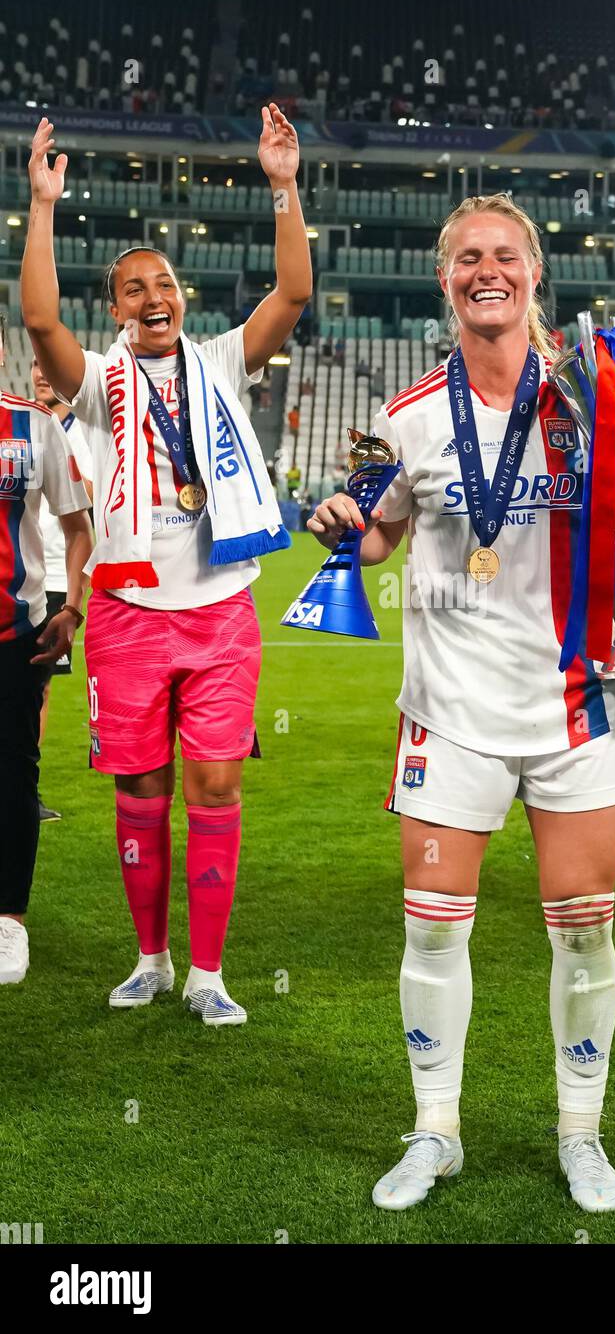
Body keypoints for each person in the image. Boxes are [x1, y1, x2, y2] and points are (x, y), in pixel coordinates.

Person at [308, 193, 615, 1213]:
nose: (486, 269)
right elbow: (377, 535)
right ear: (445, 281)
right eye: (465, 258)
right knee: (433, 932)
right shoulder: (406, 417)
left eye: (503, 255)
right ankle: (434, 1130)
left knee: (582, 930)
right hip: (449, 714)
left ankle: (580, 1133)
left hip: (574, 709)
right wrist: (345, 522)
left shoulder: (596, 400)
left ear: (534, 274)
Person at [22, 108, 312, 1024]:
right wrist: (40, 206)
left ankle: (210, 972)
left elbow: (293, 296)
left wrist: (283, 186)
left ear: (182, 295)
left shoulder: (221, 361)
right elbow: (36, 317)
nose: (154, 295)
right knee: (141, 787)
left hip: (221, 608)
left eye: (166, 283)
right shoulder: (100, 385)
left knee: (216, 785)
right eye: (135, 287)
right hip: (127, 614)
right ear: (114, 308)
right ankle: (151, 958)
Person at [0, 315, 92, 985]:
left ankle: (8, 922)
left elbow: (75, 526)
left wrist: (73, 603)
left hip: (16, 635)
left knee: (12, 781)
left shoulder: (34, 426)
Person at [32, 354, 93, 821]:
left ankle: (23, 789)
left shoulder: (86, 433)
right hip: (18, 574)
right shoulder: (21, 423)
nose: (39, 372)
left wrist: (76, 595)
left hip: (56, 579)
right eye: (33, 364)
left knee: (39, 688)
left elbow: (90, 512)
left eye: (46, 364)